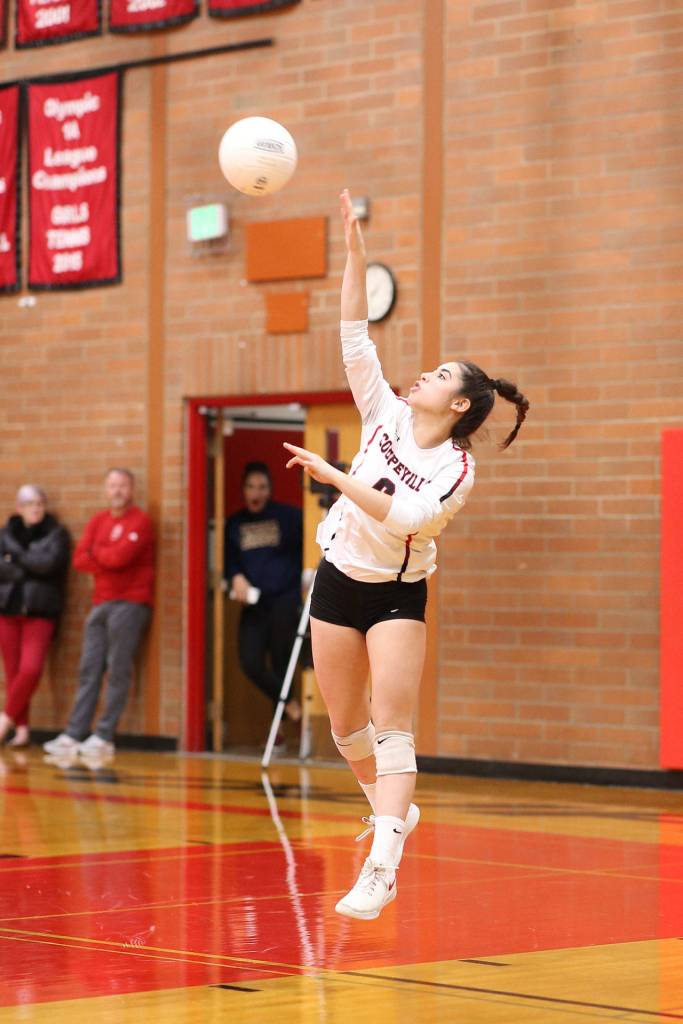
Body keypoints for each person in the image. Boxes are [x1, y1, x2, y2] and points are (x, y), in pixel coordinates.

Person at [283, 189, 529, 921]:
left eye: (441, 374)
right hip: (337, 578)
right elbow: (354, 333)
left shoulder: (456, 469)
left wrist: (335, 477)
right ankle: (393, 806)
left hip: (394, 593)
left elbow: (406, 516)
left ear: (458, 405)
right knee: (343, 726)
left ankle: (382, 864)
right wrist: (355, 249)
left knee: (393, 726)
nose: (424, 374)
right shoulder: (384, 411)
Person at [43, 468, 154, 760]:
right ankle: (74, 733)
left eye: (122, 485)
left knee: (117, 668)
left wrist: (99, 555)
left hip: (130, 604)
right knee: (88, 668)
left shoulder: (140, 521)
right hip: (100, 603)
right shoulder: (98, 521)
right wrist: (104, 556)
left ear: (131, 489)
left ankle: (104, 735)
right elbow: (80, 558)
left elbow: (121, 558)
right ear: (106, 490)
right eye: (112, 485)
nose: (117, 490)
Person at [225, 462, 303, 735]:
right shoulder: (234, 523)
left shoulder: (289, 517)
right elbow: (229, 562)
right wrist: (235, 576)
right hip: (254, 604)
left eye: (262, 487)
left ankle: (278, 734)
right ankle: (290, 704)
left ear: (269, 490)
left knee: (283, 662)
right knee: (251, 662)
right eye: (250, 487)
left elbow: (310, 547)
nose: (256, 493)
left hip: (285, 598)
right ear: (243, 490)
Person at [0, 486, 70, 747]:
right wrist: (27, 565)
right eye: (30, 504)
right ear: (19, 507)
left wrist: (16, 558)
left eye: (40, 503)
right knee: (13, 672)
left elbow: (48, 565)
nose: (36, 508)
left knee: (30, 669)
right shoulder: (5, 534)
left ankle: (4, 719)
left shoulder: (56, 534)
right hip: (8, 610)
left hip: (40, 611)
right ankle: (22, 730)